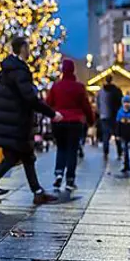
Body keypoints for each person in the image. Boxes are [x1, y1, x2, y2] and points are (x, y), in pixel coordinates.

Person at [0, 36, 62, 205]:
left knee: (27, 157)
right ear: (22, 48)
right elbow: (30, 97)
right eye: (27, 47)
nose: (30, 50)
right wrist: (52, 113)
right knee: (13, 157)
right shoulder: (19, 70)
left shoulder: (9, 69)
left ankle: (37, 192)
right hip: (16, 122)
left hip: (12, 121)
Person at [46, 59, 94, 192]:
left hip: (59, 121)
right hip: (75, 122)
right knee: (72, 150)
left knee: (61, 148)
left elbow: (48, 103)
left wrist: (52, 115)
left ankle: (58, 173)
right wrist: (90, 120)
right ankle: (70, 180)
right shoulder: (79, 87)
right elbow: (86, 106)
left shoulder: (56, 86)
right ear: (73, 70)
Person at [96, 75, 123, 160]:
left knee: (106, 135)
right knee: (117, 134)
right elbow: (120, 102)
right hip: (115, 116)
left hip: (104, 115)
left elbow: (98, 104)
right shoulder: (117, 90)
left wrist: (99, 112)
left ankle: (106, 151)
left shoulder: (101, 92)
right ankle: (119, 151)